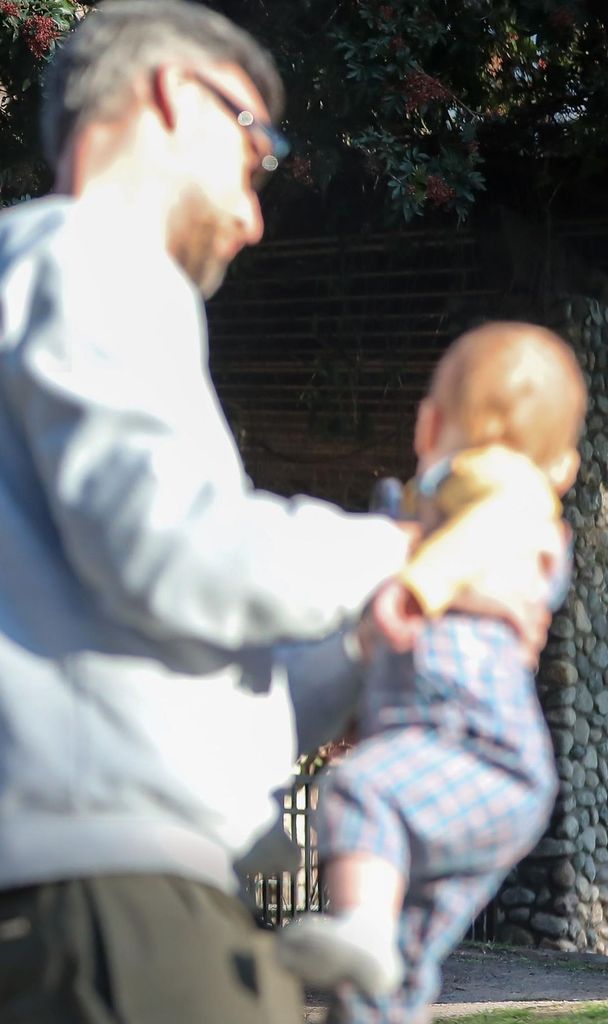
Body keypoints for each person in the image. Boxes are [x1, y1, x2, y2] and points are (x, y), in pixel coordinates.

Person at [0, 4, 556, 1022]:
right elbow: (176, 550)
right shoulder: (83, 253)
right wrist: (407, 551)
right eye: (258, 145)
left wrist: (389, 633)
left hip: (108, 883)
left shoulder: (28, 275)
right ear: (172, 92)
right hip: (118, 895)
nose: (253, 215)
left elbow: (212, 677)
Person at [278, 322, 587, 1024]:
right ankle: (371, 966)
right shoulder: (446, 513)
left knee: (357, 792)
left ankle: (359, 930)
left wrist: (415, 586)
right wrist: (361, 711)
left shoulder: (494, 487)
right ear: (567, 463)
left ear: (430, 424)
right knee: (390, 977)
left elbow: (494, 524)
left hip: (478, 751)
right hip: (484, 768)